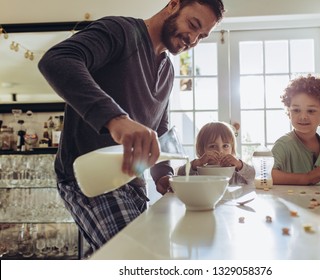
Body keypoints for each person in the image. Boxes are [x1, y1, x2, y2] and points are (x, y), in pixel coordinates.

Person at [38, 0, 225, 253]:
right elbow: (57, 60)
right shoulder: (121, 32)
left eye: (201, 36)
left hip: (134, 185)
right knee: (138, 257)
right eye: (193, 25)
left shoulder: (167, 71)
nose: (192, 40)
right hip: (91, 178)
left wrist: (162, 176)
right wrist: (116, 119)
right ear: (173, 5)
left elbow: (160, 129)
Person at [177, 121, 255, 185]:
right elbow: (180, 173)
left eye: (225, 146)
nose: (220, 151)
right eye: (212, 146)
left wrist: (239, 164)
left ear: (232, 149)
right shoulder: (198, 170)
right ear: (202, 150)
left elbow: (252, 175)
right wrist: (197, 162)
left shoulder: (235, 171)